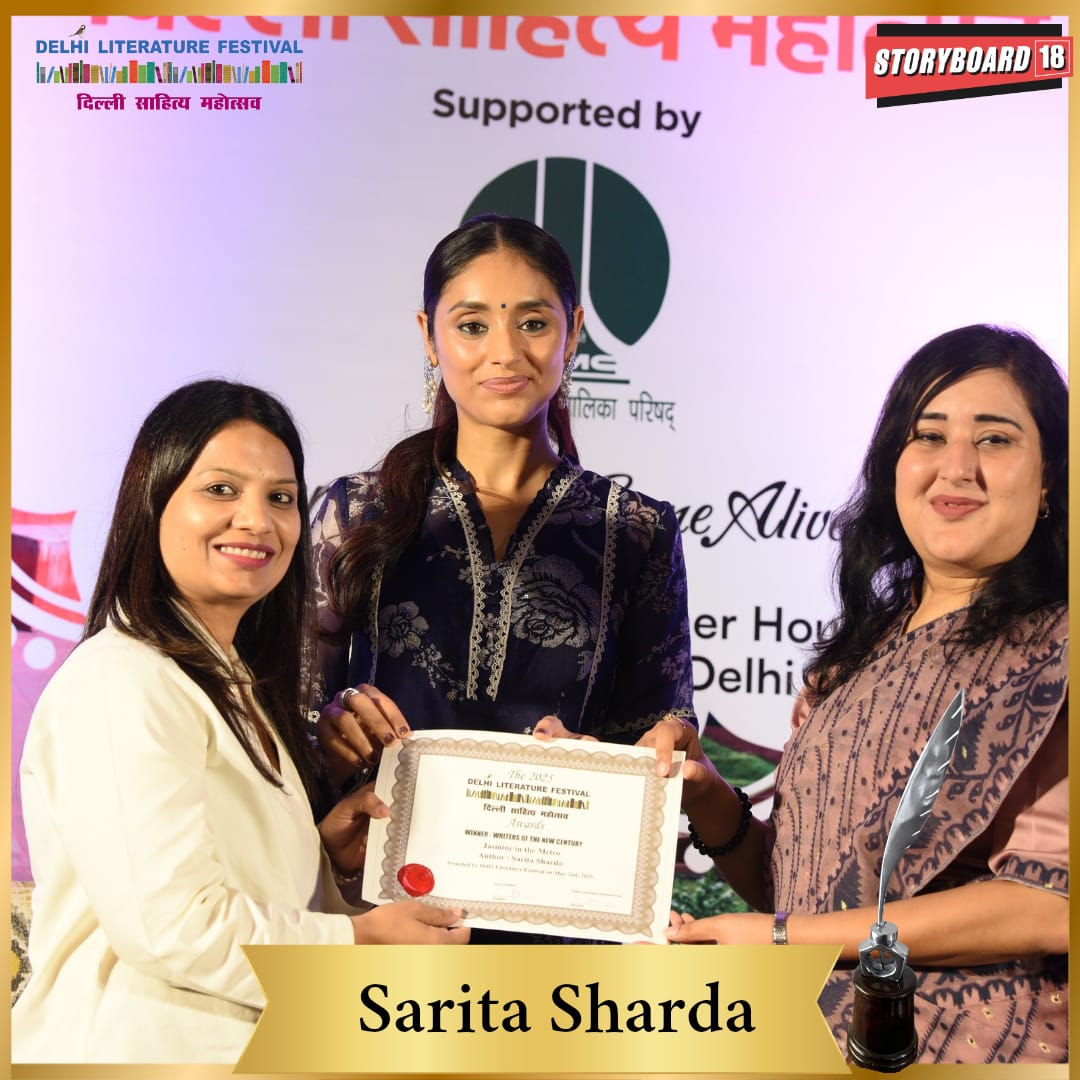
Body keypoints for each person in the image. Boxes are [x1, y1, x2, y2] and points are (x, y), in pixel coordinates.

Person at [641, 324, 1068, 1064]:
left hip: (971, 1040)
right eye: (929, 435)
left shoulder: (1057, 649)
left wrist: (781, 941)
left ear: (1050, 478)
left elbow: (1049, 904)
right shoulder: (855, 660)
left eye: (995, 440)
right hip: (807, 1032)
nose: (957, 467)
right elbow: (801, 895)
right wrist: (706, 794)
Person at [13, 380, 468, 1064]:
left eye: (280, 498)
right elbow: (173, 927)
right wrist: (359, 942)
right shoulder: (122, 679)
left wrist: (323, 859)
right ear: (153, 499)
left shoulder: (231, 683)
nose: (256, 521)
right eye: (221, 490)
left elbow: (239, 894)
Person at [311, 215, 695, 939]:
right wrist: (329, 738)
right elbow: (290, 728)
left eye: (533, 323)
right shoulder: (356, 512)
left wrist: (625, 767)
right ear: (430, 337)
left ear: (573, 334)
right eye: (472, 325)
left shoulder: (636, 530)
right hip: (380, 920)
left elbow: (657, 740)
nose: (505, 352)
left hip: (560, 933)